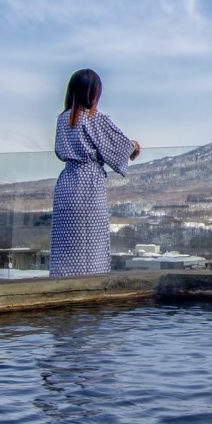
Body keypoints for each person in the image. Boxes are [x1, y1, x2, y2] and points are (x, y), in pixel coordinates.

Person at [50, 69, 140, 277]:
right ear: (93, 93)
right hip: (88, 184)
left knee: (66, 242)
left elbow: (58, 150)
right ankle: (90, 282)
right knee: (90, 242)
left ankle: (63, 282)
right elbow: (120, 145)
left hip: (66, 184)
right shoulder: (94, 119)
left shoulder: (62, 120)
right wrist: (134, 146)